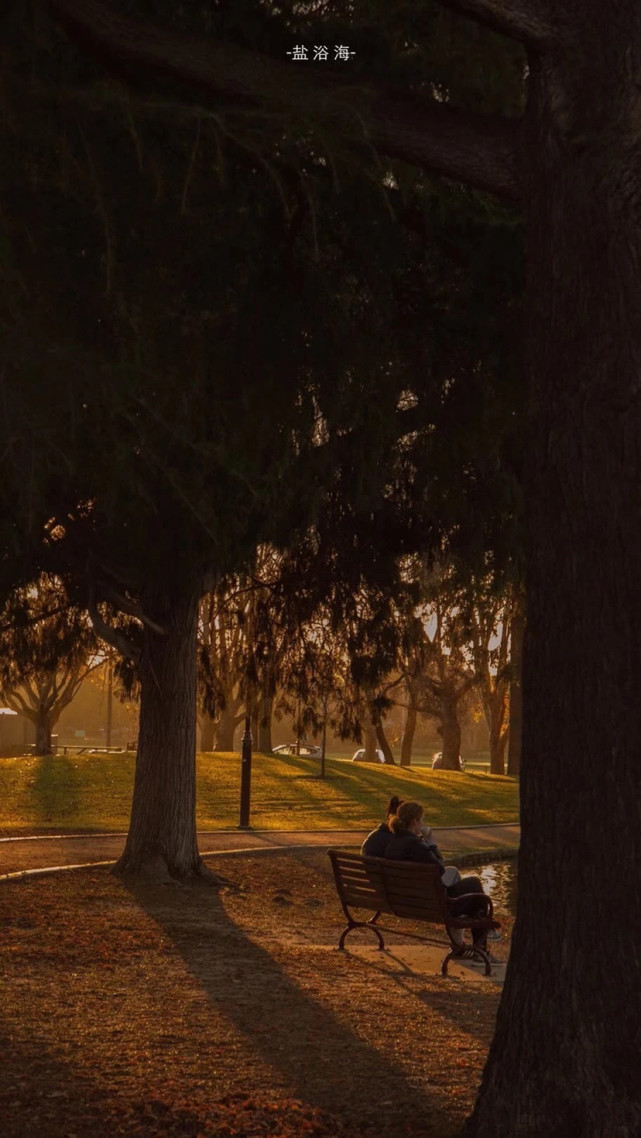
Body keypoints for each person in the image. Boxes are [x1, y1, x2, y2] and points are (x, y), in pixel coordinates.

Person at [384, 800, 500, 953]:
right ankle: (481, 948)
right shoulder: (415, 845)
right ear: (414, 822)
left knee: (464, 884)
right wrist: (430, 843)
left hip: (406, 901)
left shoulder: (394, 842)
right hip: (433, 905)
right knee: (474, 885)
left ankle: (461, 945)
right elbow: (440, 868)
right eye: (421, 820)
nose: (422, 824)